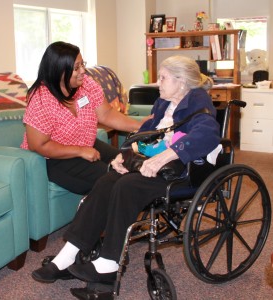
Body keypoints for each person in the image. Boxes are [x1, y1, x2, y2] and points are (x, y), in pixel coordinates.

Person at [31, 55, 221, 291]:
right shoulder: (164, 103)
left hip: (180, 174)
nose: (157, 83)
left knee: (125, 185)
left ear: (181, 82)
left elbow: (208, 134)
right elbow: (145, 135)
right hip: (153, 168)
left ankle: (109, 263)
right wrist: (125, 154)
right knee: (108, 179)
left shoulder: (198, 104)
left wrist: (167, 155)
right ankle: (68, 254)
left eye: (162, 78)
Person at [20, 41, 144, 195]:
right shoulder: (40, 98)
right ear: (59, 71)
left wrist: (140, 126)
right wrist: (80, 151)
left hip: (86, 144)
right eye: (76, 67)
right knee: (115, 179)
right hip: (54, 159)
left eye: (82, 64)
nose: (83, 71)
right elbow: (38, 145)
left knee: (133, 162)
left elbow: (106, 114)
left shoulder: (86, 84)